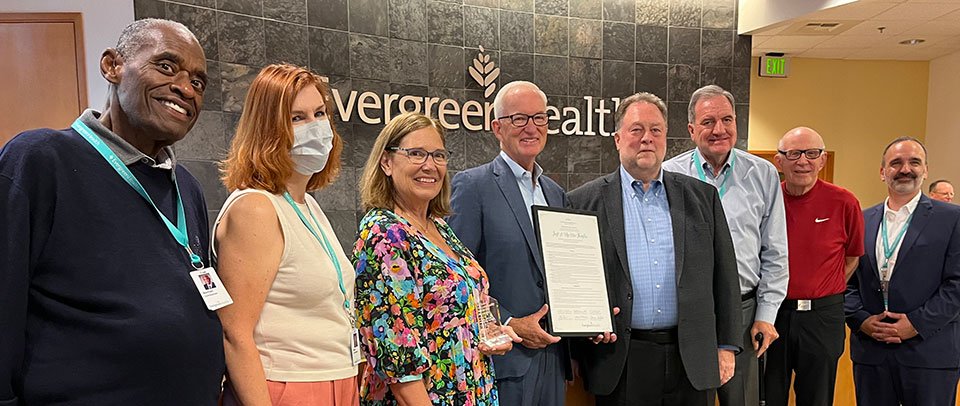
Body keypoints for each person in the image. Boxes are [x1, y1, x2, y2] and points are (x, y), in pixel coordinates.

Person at [0, 19, 223, 404]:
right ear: (112, 66)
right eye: (166, 67)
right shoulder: (40, 160)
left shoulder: (184, 185)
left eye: (198, 82)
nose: (185, 89)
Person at [568, 92, 742, 405]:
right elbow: (574, 281)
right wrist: (577, 345)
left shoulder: (702, 198)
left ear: (665, 138)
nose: (647, 138)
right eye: (636, 130)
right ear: (618, 138)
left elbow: (725, 276)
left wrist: (727, 346)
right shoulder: (583, 202)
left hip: (691, 356)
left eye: (656, 130)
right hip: (620, 358)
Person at [213, 64, 359, 406]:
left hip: (337, 379)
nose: (316, 128)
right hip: (287, 386)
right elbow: (236, 334)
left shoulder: (305, 204)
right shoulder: (256, 208)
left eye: (319, 114)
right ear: (268, 130)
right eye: (297, 118)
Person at [353, 112, 520, 405]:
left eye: (438, 155)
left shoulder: (438, 226)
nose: (429, 165)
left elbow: (447, 314)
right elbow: (399, 362)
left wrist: (485, 330)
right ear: (387, 162)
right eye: (416, 153)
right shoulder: (385, 234)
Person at [662, 84, 789, 406]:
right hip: (690, 315)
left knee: (742, 401)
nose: (719, 130)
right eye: (708, 122)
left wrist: (767, 315)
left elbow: (775, 252)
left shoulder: (763, 174)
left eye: (727, 120)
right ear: (691, 129)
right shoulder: (668, 175)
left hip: (745, 315)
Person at [447, 80, 570, 406]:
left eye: (539, 118)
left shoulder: (555, 194)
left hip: (554, 359)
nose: (531, 128)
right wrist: (506, 322)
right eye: (519, 119)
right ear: (497, 127)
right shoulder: (473, 186)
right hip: (504, 360)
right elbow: (457, 279)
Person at [845, 136, 960, 405]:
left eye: (914, 162)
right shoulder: (861, 219)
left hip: (929, 352)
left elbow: (956, 284)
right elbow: (846, 279)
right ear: (883, 172)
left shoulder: (952, 219)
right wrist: (861, 319)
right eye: (896, 163)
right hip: (871, 351)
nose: (905, 169)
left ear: (926, 170)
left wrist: (916, 324)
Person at [764, 127, 864, 406]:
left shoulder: (844, 202)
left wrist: (820, 287)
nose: (802, 161)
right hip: (773, 315)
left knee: (817, 398)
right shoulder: (767, 201)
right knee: (768, 395)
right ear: (778, 161)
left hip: (823, 317)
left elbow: (852, 257)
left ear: (822, 160)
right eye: (793, 153)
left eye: (812, 153)